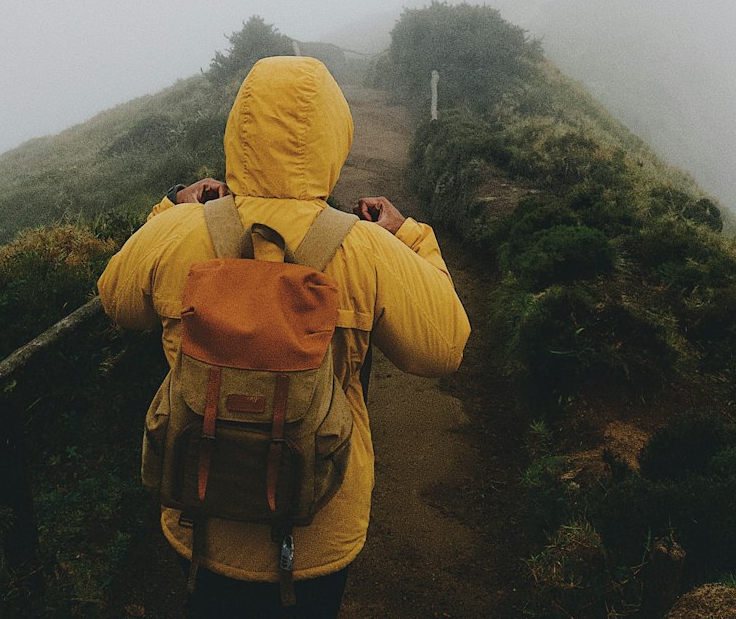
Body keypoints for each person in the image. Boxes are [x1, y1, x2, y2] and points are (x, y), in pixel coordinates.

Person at [98, 55, 471, 618]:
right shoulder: (364, 249)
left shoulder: (178, 232)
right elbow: (445, 346)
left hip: (199, 519)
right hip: (318, 524)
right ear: (335, 137)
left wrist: (169, 209)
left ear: (239, 129)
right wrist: (411, 237)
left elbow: (117, 301)